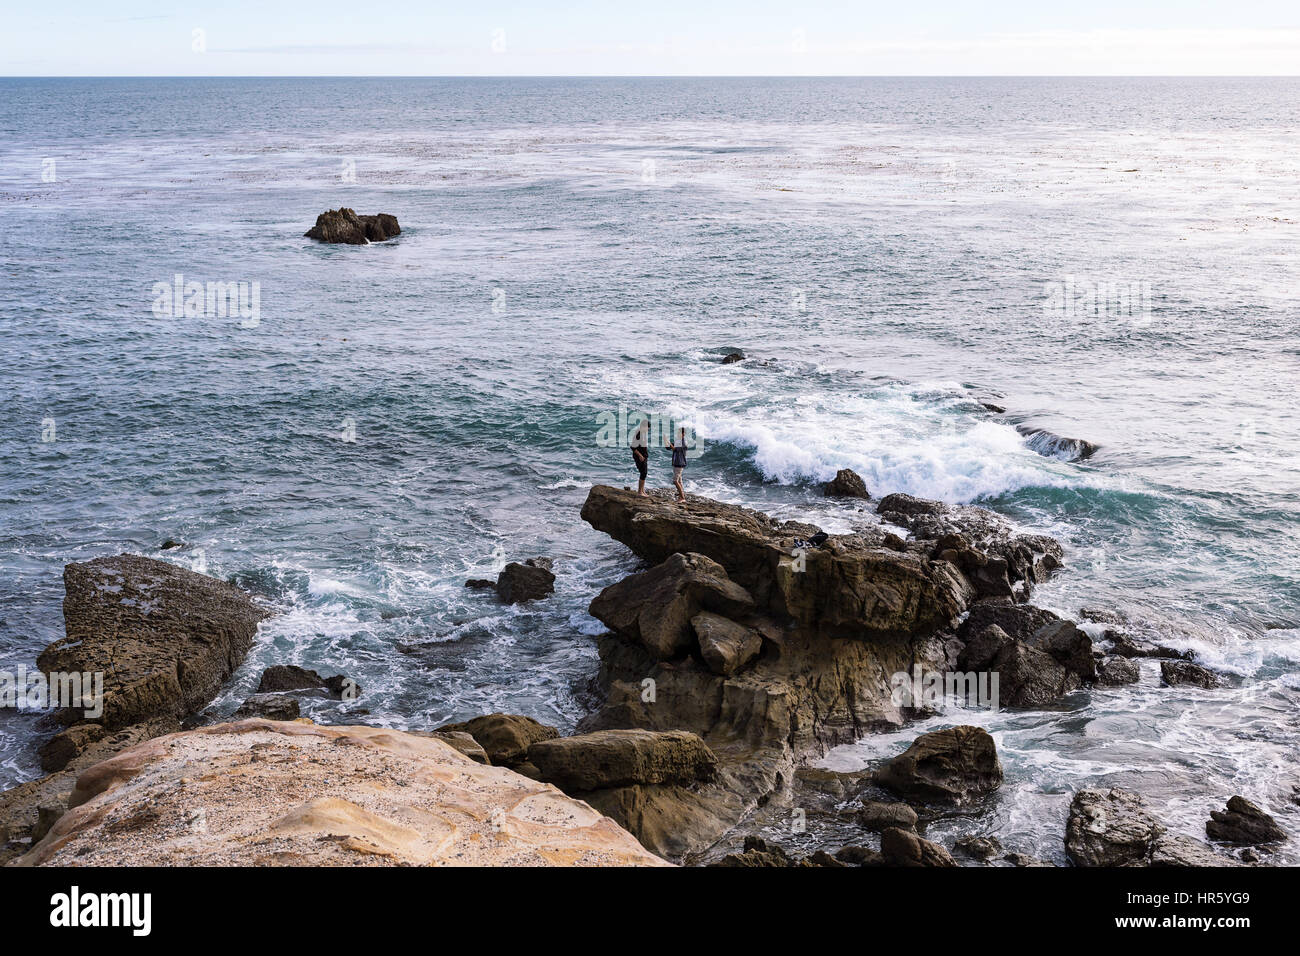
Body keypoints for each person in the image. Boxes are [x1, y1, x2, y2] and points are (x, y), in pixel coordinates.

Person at [665, 426, 689, 503]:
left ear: (683, 434)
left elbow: (675, 449)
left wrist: (668, 442)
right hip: (676, 463)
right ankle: (681, 496)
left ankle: (682, 497)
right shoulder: (678, 441)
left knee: (675, 481)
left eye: (679, 433)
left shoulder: (684, 442)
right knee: (679, 481)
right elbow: (668, 447)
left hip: (680, 464)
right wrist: (666, 441)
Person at [630, 418, 650, 497]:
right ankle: (639, 492)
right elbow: (632, 447)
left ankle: (642, 490)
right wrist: (640, 456)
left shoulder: (641, 433)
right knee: (643, 473)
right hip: (640, 457)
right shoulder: (639, 434)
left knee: (644, 473)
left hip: (643, 456)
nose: (648, 430)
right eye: (648, 428)